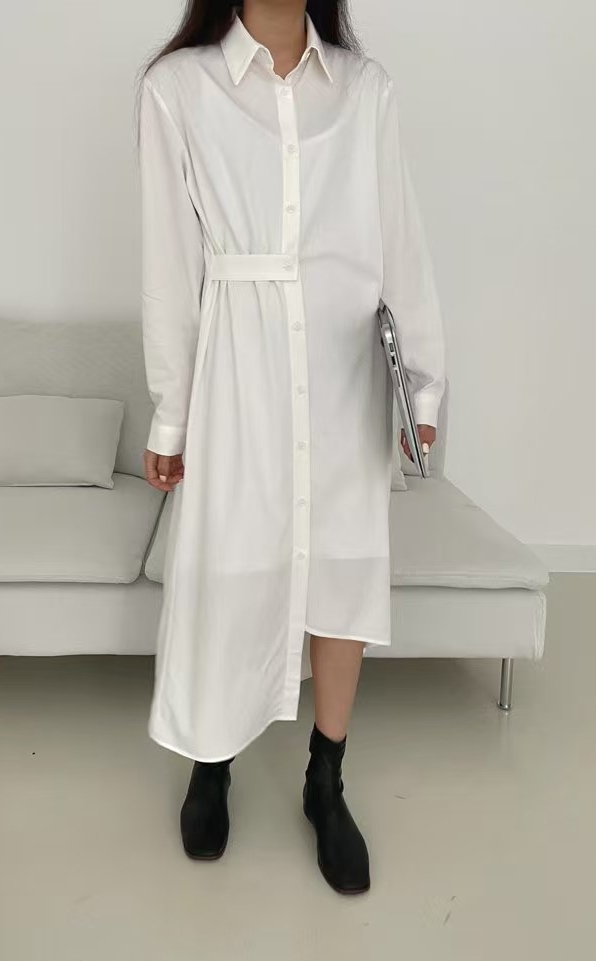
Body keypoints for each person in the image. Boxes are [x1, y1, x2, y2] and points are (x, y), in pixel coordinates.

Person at [136, 0, 446, 895]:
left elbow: (400, 244)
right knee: (231, 563)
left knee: (342, 568)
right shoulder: (176, 89)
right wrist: (171, 413)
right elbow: (169, 268)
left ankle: (325, 776)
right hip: (236, 367)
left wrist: (422, 386)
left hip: (343, 371)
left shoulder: (364, 90)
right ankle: (212, 760)